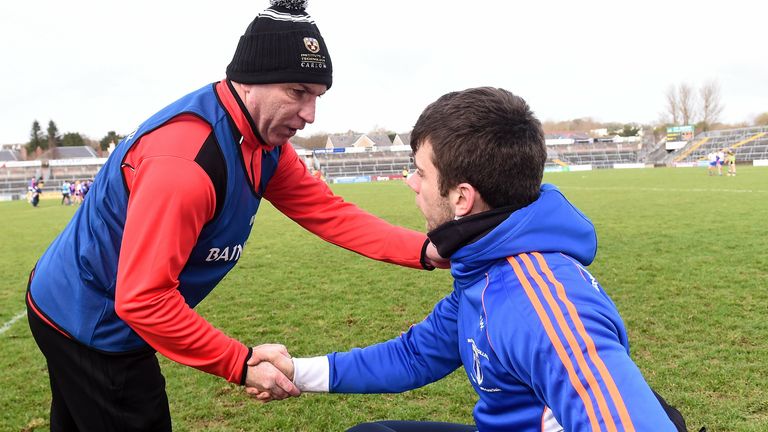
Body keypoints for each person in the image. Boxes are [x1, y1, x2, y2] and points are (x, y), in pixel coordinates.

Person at [26, 1, 446, 430]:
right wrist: (241, 363)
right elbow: (144, 300)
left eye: (317, 97)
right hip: (91, 323)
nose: (310, 115)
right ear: (250, 82)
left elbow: (328, 212)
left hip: (87, 305)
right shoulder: (186, 164)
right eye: (297, 92)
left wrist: (427, 250)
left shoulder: (264, 143)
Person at [266, 87, 687, 431]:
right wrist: (296, 372)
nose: (412, 183)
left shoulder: (538, 302)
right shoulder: (486, 266)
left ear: (462, 198)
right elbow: (414, 356)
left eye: (421, 172)